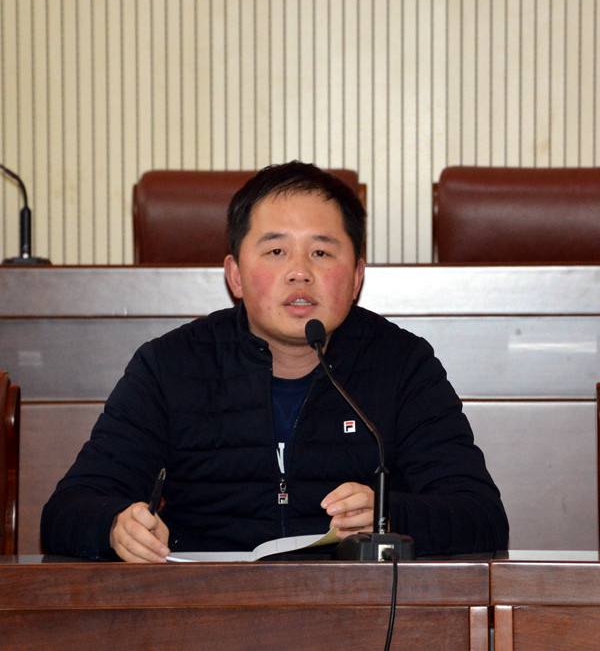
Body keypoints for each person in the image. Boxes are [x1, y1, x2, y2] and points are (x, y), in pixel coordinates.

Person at [41, 161, 509, 562]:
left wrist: (390, 514)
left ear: (357, 277)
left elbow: (483, 517)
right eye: (276, 251)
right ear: (235, 275)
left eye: (321, 252)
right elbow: (67, 510)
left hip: (355, 611)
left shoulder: (401, 365)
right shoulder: (169, 367)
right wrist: (114, 526)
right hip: (203, 610)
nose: (300, 272)